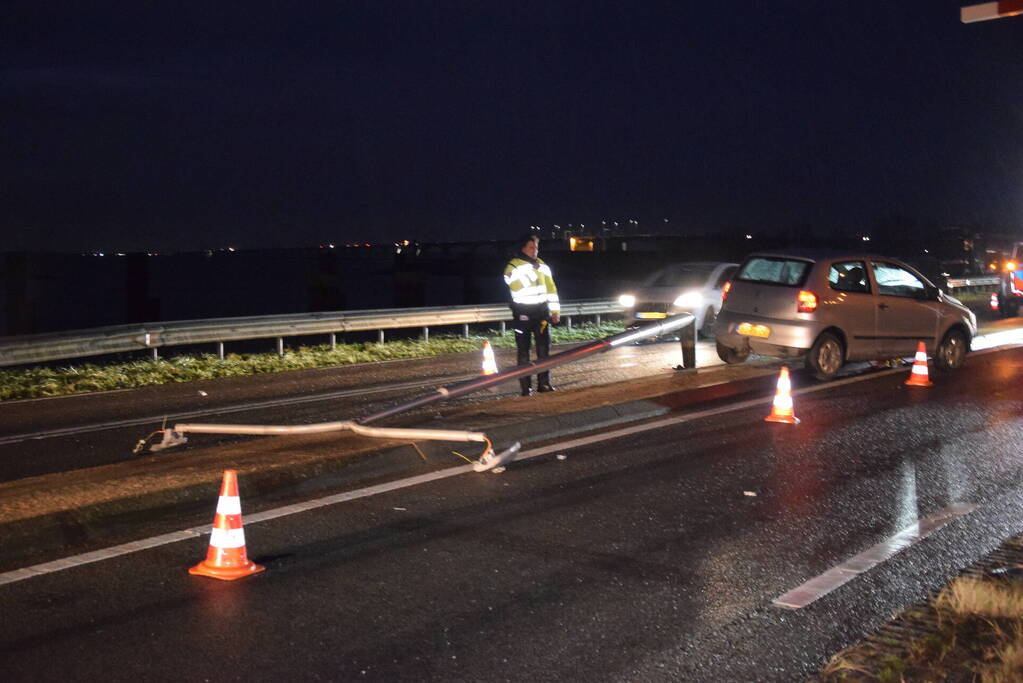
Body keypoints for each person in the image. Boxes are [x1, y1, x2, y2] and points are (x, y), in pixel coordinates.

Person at [504, 234, 561, 396]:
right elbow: (514, 286)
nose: (535, 250)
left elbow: (551, 289)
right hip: (523, 315)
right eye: (531, 247)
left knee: (544, 351)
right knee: (524, 352)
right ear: (523, 248)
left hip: (542, 313)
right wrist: (531, 273)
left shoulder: (542, 265)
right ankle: (525, 388)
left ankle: (544, 384)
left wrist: (555, 311)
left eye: (536, 247)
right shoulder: (512, 266)